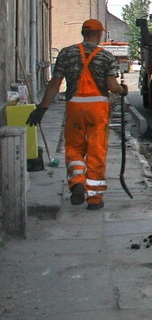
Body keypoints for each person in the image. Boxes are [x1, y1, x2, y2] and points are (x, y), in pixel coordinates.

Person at [27, 19, 127, 210]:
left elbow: (54, 84)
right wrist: (122, 90)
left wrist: (42, 108)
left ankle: (77, 182)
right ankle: (95, 199)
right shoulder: (106, 57)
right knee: (96, 151)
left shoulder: (66, 53)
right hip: (97, 108)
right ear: (98, 35)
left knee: (74, 147)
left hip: (75, 106)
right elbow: (112, 87)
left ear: (83, 33)